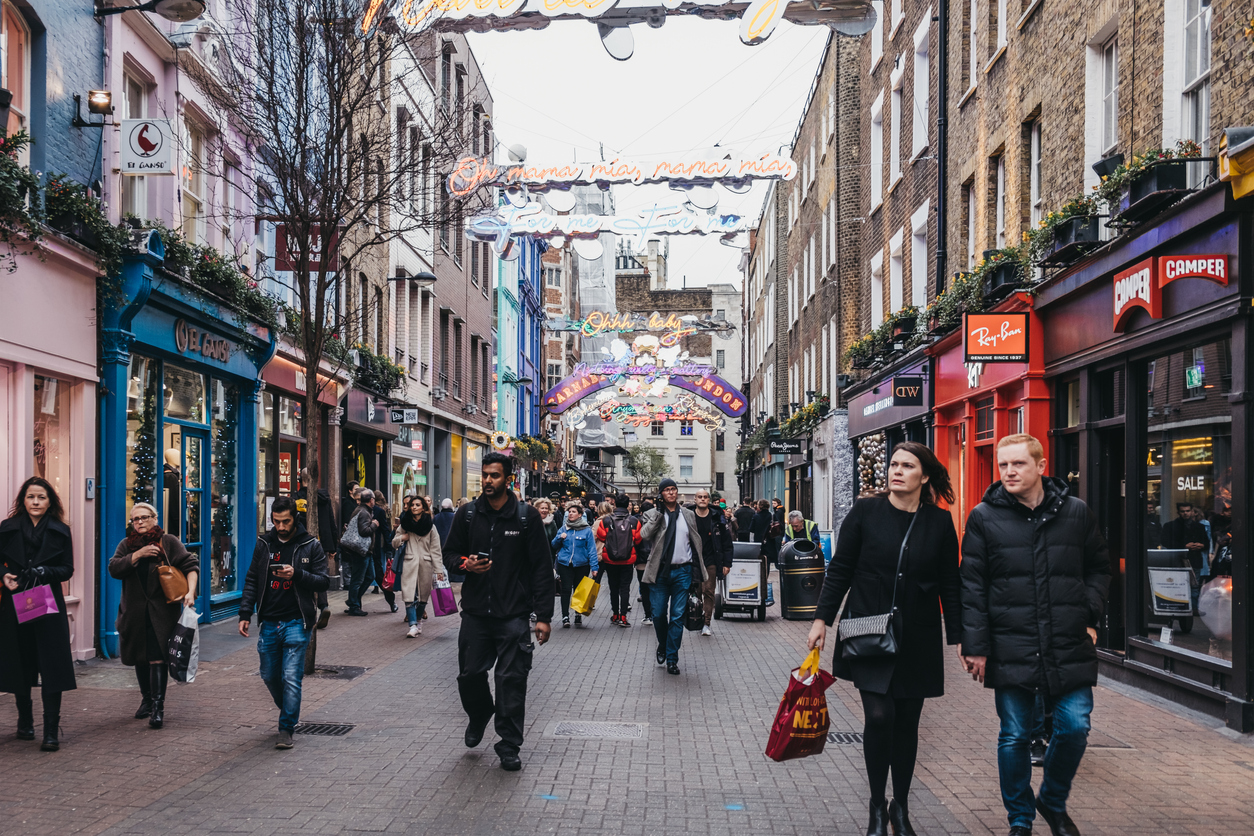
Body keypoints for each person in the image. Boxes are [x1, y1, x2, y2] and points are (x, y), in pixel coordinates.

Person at [959, 434, 1111, 836]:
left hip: (1067, 640)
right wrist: (975, 645)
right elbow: (972, 586)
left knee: (1075, 725)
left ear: (1041, 466)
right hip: (1011, 643)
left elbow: (1099, 568)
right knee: (1014, 735)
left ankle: (1052, 800)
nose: (1008, 471)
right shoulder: (984, 517)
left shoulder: (1076, 513)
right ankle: (1020, 820)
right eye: (1002, 464)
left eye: (1018, 464)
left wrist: (1089, 613)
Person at [807, 442, 962, 836]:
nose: (896, 471)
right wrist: (822, 619)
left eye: (907, 466)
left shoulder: (939, 523)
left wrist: (961, 636)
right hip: (869, 630)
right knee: (879, 717)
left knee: (907, 723)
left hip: (918, 635)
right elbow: (841, 569)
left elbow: (951, 583)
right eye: (893, 464)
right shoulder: (865, 512)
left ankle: (901, 806)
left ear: (923, 476)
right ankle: (877, 805)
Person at [443, 452, 553, 771]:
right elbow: (450, 554)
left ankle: (508, 744)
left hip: (514, 616)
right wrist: (466, 565)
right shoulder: (467, 515)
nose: (488, 481)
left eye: (494, 475)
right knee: (470, 676)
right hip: (476, 615)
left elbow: (541, 570)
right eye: (485, 476)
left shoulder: (525, 517)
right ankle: (479, 714)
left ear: (508, 479)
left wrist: (543, 617)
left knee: (511, 680)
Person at [238, 496, 330, 749]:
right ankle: (288, 708)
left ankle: (286, 728)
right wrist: (245, 613)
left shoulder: (311, 545)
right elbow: (252, 580)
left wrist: (297, 574)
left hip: (296, 621)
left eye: (285, 521)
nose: (280, 527)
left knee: (291, 677)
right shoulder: (264, 544)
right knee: (268, 675)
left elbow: (324, 581)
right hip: (269, 621)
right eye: (276, 521)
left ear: (295, 518)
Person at [107, 501, 199, 730]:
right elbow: (114, 568)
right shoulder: (126, 545)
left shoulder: (168, 542)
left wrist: (190, 592)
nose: (139, 523)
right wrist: (138, 554)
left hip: (161, 613)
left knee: (157, 657)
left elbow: (190, 565)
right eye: (135, 519)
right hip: (134, 612)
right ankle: (146, 700)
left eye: (144, 518)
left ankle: (158, 707)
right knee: (140, 657)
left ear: (155, 519)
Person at [0, 477, 77, 751]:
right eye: (31, 497)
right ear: (23, 499)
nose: (35, 502)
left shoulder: (60, 530)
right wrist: (4, 575)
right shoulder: (7, 528)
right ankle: (24, 722)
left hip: (48, 604)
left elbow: (67, 569)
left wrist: (45, 572)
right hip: (15, 601)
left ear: (49, 501)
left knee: (52, 665)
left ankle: (50, 731)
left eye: (41, 498)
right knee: (19, 661)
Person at [638, 477, 706, 675]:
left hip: (683, 571)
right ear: (661, 494)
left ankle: (672, 658)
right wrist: (658, 515)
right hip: (659, 573)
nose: (671, 493)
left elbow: (695, 541)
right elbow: (644, 535)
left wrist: (696, 571)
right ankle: (663, 644)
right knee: (658, 614)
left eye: (673, 489)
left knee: (676, 617)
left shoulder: (688, 514)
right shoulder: (651, 513)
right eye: (667, 490)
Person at [393, 495, 443, 637]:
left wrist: (439, 569)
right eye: (412, 505)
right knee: (408, 596)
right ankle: (413, 625)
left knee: (423, 598)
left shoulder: (431, 527)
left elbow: (436, 549)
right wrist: (402, 537)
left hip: (425, 564)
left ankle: (419, 620)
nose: (414, 507)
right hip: (409, 562)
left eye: (417, 505)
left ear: (424, 508)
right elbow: (394, 542)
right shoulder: (405, 524)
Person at [691, 489, 733, 637]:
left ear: (708, 500)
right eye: (700, 497)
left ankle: (706, 623)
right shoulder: (688, 516)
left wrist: (727, 563)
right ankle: (696, 617)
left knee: (708, 591)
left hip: (711, 560)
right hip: (693, 560)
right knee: (696, 592)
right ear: (695, 499)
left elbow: (726, 542)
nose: (702, 499)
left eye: (705, 497)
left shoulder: (717, 518)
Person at [595, 494, 641, 627]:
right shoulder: (634, 521)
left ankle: (615, 615)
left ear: (614, 504)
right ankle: (623, 617)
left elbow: (601, 536)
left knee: (613, 588)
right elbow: (638, 539)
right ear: (628, 505)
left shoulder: (606, 520)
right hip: (628, 559)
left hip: (610, 559)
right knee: (625, 588)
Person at [552, 501, 599, 628]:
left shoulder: (586, 530)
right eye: (569, 512)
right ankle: (565, 616)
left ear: (579, 515)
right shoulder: (563, 528)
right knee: (566, 589)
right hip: (565, 564)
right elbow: (554, 545)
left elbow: (591, 549)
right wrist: (559, 538)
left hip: (582, 564)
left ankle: (578, 614)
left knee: (579, 590)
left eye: (573, 512)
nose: (570, 514)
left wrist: (595, 567)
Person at [342, 490, 378, 617]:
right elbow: (364, 531)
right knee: (358, 579)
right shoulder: (363, 512)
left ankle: (353, 600)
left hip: (365, 551)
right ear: (371, 500)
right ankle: (354, 605)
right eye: (373, 499)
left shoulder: (361, 510)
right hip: (361, 550)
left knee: (370, 576)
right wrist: (374, 525)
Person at [1161, 502, 1208, 578]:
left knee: (1194, 586)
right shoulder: (1170, 526)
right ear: (1178, 512)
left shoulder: (1200, 527)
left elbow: (1206, 543)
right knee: (1179, 585)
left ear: (1192, 511)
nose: (1185, 513)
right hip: (1177, 561)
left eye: (1187, 511)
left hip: (1194, 560)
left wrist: (1202, 545)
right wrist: (1184, 546)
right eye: (1183, 511)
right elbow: (1165, 541)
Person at [371, 490, 397, 613]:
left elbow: (385, 529)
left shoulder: (380, 511)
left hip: (377, 543)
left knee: (379, 570)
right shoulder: (386, 509)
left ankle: (389, 599)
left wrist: (388, 546)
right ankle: (354, 602)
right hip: (374, 545)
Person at [635, 499, 655, 625]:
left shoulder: (637, 522)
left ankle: (648, 615)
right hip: (655, 560)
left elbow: (635, 540)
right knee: (655, 588)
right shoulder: (657, 522)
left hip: (641, 561)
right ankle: (656, 613)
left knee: (644, 589)